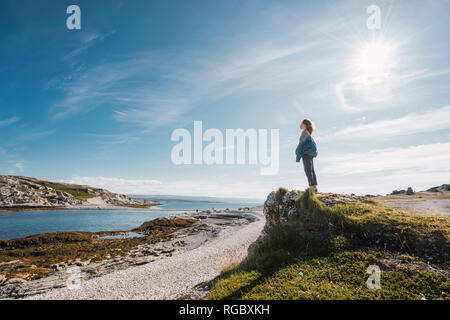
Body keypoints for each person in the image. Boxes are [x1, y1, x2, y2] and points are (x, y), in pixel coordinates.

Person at [295, 119, 318, 192]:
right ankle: (314, 186)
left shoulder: (304, 133)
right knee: (311, 169)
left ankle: (311, 187)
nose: (300, 125)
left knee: (307, 170)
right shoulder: (307, 133)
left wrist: (297, 154)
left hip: (306, 153)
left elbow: (301, 144)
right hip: (310, 153)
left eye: (301, 123)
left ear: (305, 125)